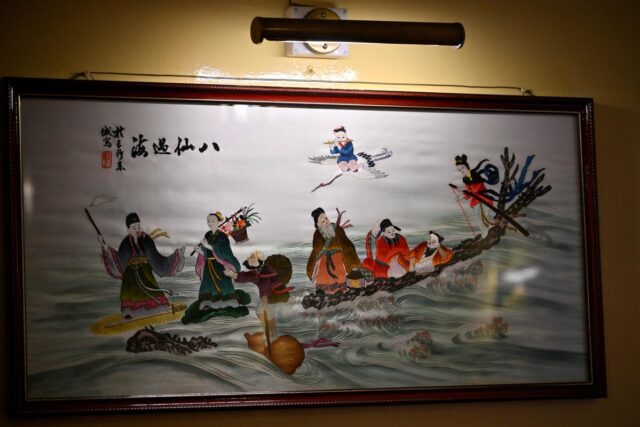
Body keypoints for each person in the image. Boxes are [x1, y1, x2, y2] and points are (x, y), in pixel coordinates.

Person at [99, 212, 185, 320]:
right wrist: (106, 248)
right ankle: (129, 313)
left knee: (151, 289)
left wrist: (175, 257)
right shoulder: (125, 243)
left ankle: (158, 309)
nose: (137, 229)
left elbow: (156, 257)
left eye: (138, 226)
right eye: (134, 227)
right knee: (130, 293)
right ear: (128, 229)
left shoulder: (146, 239)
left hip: (145, 272)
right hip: (130, 275)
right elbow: (119, 259)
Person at [224, 250, 292, 341]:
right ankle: (270, 333)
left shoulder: (266, 272)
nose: (248, 258)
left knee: (265, 312)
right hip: (270, 296)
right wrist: (234, 275)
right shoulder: (257, 271)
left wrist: (265, 304)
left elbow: (265, 287)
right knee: (264, 312)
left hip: (276, 295)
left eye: (252, 257)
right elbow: (247, 276)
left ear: (258, 260)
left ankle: (272, 334)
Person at [193, 212, 241, 310]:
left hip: (220, 264)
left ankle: (229, 301)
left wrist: (207, 246)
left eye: (213, 221)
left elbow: (223, 250)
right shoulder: (207, 235)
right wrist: (199, 250)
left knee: (223, 283)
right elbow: (207, 253)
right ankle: (207, 302)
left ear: (219, 222)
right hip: (208, 265)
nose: (210, 223)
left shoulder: (222, 236)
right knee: (207, 284)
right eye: (208, 221)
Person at [307, 207, 361, 294]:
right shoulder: (317, 234)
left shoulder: (338, 230)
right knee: (323, 294)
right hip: (323, 270)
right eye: (322, 221)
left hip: (338, 266)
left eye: (326, 218)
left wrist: (353, 265)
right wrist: (310, 269)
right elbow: (315, 252)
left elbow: (348, 247)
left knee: (341, 290)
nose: (326, 221)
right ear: (318, 224)